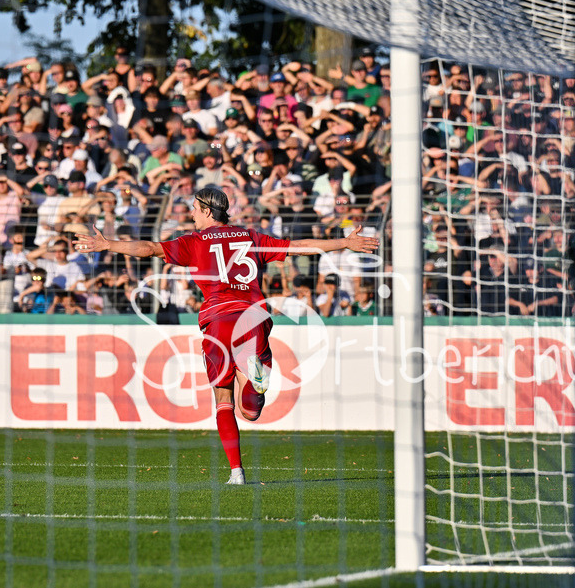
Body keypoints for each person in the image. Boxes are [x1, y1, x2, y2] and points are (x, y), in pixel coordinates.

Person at [74, 185, 379, 485]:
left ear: (207, 211)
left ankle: (237, 472)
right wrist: (343, 243)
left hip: (218, 318)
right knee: (252, 411)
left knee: (223, 398)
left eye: (195, 209)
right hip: (253, 315)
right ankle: (255, 381)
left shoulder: (194, 240)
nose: (192, 214)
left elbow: (149, 249)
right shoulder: (249, 236)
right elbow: (296, 247)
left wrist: (108, 245)